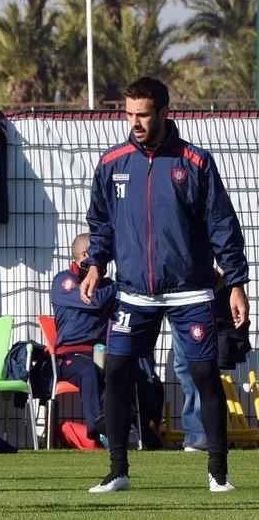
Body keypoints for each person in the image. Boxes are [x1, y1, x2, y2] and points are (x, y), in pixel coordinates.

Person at [82, 76, 249, 493]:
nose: (134, 122)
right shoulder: (111, 163)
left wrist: (236, 283)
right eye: (128, 114)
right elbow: (100, 223)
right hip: (133, 293)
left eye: (142, 114)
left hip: (190, 293)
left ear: (162, 112)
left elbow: (222, 227)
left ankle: (218, 473)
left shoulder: (194, 162)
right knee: (116, 372)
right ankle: (117, 470)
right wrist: (95, 264)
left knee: (204, 376)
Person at [50, 232, 117, 445]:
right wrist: (117, 288)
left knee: (123, 370)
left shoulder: (106, 284)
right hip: (70, 355)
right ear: (86, 254)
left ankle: (135, 428)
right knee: (89, 370)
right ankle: (98, 428)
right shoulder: (64, 281)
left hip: (101, 352)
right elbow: (92, 300)